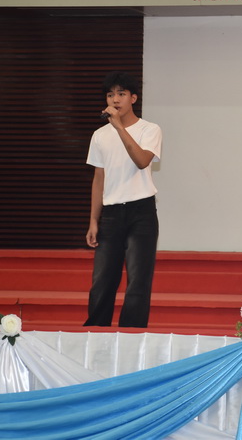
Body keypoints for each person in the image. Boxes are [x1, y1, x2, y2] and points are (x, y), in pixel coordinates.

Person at [83, 71, 162, 327]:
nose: (115, 99)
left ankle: (132, 337)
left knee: (138, 282)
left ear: (133, 98)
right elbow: (99, 179)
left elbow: (141, 161)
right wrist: (93, 220)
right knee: (102, 281)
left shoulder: (149, 129)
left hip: (142, 213)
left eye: (121, 94)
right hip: (111, 214)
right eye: (110, 95)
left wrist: (119, 127)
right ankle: (96, 334)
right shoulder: (100, 135)